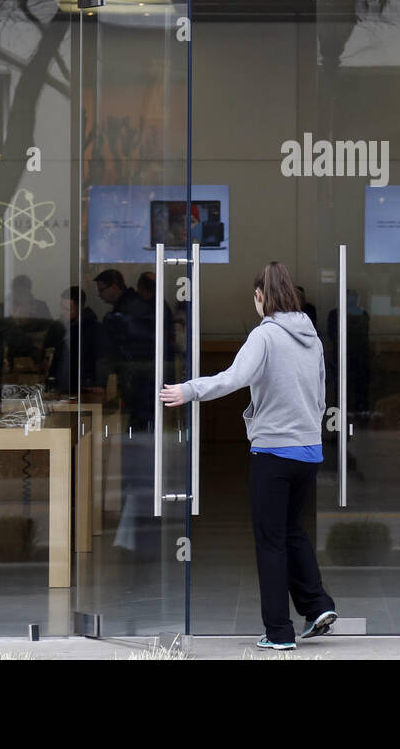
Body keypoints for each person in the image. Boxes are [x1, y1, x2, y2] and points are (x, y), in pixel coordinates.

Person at [160, 262, 336, 651]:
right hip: (308, 450)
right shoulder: (313, 337)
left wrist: (189, 390)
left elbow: (234, 378)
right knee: (292, 531)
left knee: (270, 540)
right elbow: (323, 395)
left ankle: (278, 632)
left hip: (273, 451)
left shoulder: (266, 335)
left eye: (255, 298)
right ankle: (318, 606)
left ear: (262, 296)